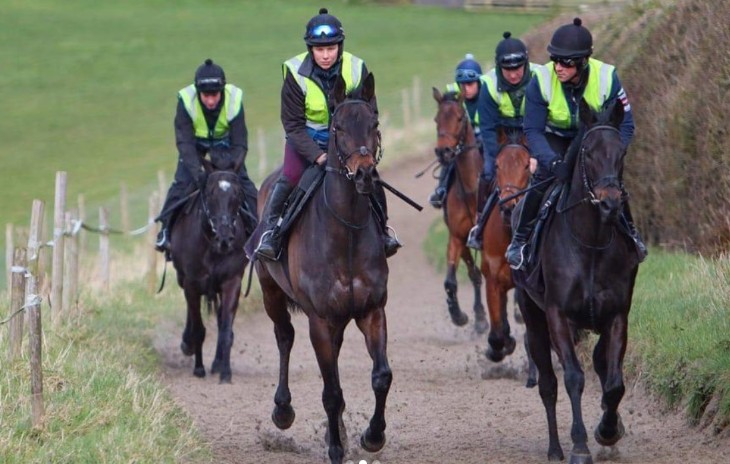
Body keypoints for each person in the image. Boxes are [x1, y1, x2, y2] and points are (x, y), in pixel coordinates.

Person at [255, 8, 401, 261]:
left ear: (339, 47)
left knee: (370, 177)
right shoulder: (294, 72)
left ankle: (384, 232)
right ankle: (270, 233)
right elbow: (292, 125)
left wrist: (360, 148)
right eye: (319, 49)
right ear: (311, 49)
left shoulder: (357, 68)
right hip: (307, 140)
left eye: (331, 49)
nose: (325, 55)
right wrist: (319, 156)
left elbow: (370, 113)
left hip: (348, 141)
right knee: (289, 176)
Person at [505, 18, 647, 270]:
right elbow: (533, 130)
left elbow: (626, 125)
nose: (558, 67)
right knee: (542, 180)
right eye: (554, 60)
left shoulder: (607, 77)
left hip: (595, 137)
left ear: (582, 62)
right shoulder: (541, 80)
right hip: (556, 138)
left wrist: (615, 152)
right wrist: (552, 161)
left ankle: (632, 234)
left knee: (612, 181)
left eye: (565, 62)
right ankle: (520, 241)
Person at [155, 58, 258, 256]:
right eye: (205, 96)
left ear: (222, 90)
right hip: (196, 149)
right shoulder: (186, 101)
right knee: (180, 186)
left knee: (247, 188)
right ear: (198, 92)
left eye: (215, 95)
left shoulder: (234, 99)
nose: (210, 100)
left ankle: (258, 233)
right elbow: (184, 141)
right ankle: (165, 232)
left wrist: (232, 171)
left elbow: (240, 142)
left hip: (226, 149)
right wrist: (198, 173)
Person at [466, 32, 540, 249]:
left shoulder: (539, 76)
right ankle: (480, 225)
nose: (514, 74)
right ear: (499, 67)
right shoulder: (487, 84)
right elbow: (487, 128)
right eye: (508, 70)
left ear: (525, 64)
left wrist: (535, 154)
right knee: (488, 172)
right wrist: (497, 154)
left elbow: (544, 116)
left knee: (549, 170)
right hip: (501, 137)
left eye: (518, 68)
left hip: (533, 132)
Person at [429, 53, 483, 208]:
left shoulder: (488, 94)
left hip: (485, 136)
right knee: (450, 158)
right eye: (462, 84)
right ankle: (442, 189)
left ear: (478, 82)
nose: (466, 88)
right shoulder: (453, 96)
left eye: (470, 83)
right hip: (462, 139)